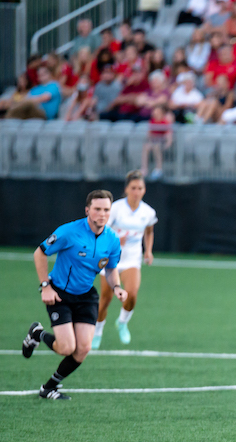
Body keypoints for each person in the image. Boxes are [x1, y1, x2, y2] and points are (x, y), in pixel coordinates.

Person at [21, 190, 127, 400]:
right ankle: (37, 334)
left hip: (86, 296)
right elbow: (40, 253)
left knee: (83, 348)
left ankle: (49, 387)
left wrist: (116, 287)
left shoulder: (112, 240)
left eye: (106, 209)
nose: (102, 214)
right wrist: (45, 286)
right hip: (59, 294)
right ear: (87, 210)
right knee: (66, 347)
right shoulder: (69, 231)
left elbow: (111, 268)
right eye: (97, 209)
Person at [93, 171, 157, 349]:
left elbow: (149, 231)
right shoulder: (115, 209)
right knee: (105, 300)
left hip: (132, 260)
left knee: (132, 294)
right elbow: (99, 229)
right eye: (133, 188)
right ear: (126, 189)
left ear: (144, 190)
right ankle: (97, 332)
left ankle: (122, 322)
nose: (136, 191)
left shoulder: (148, 212)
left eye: (140, 188)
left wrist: (148, 251)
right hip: (110, 259)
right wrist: (114, 241)